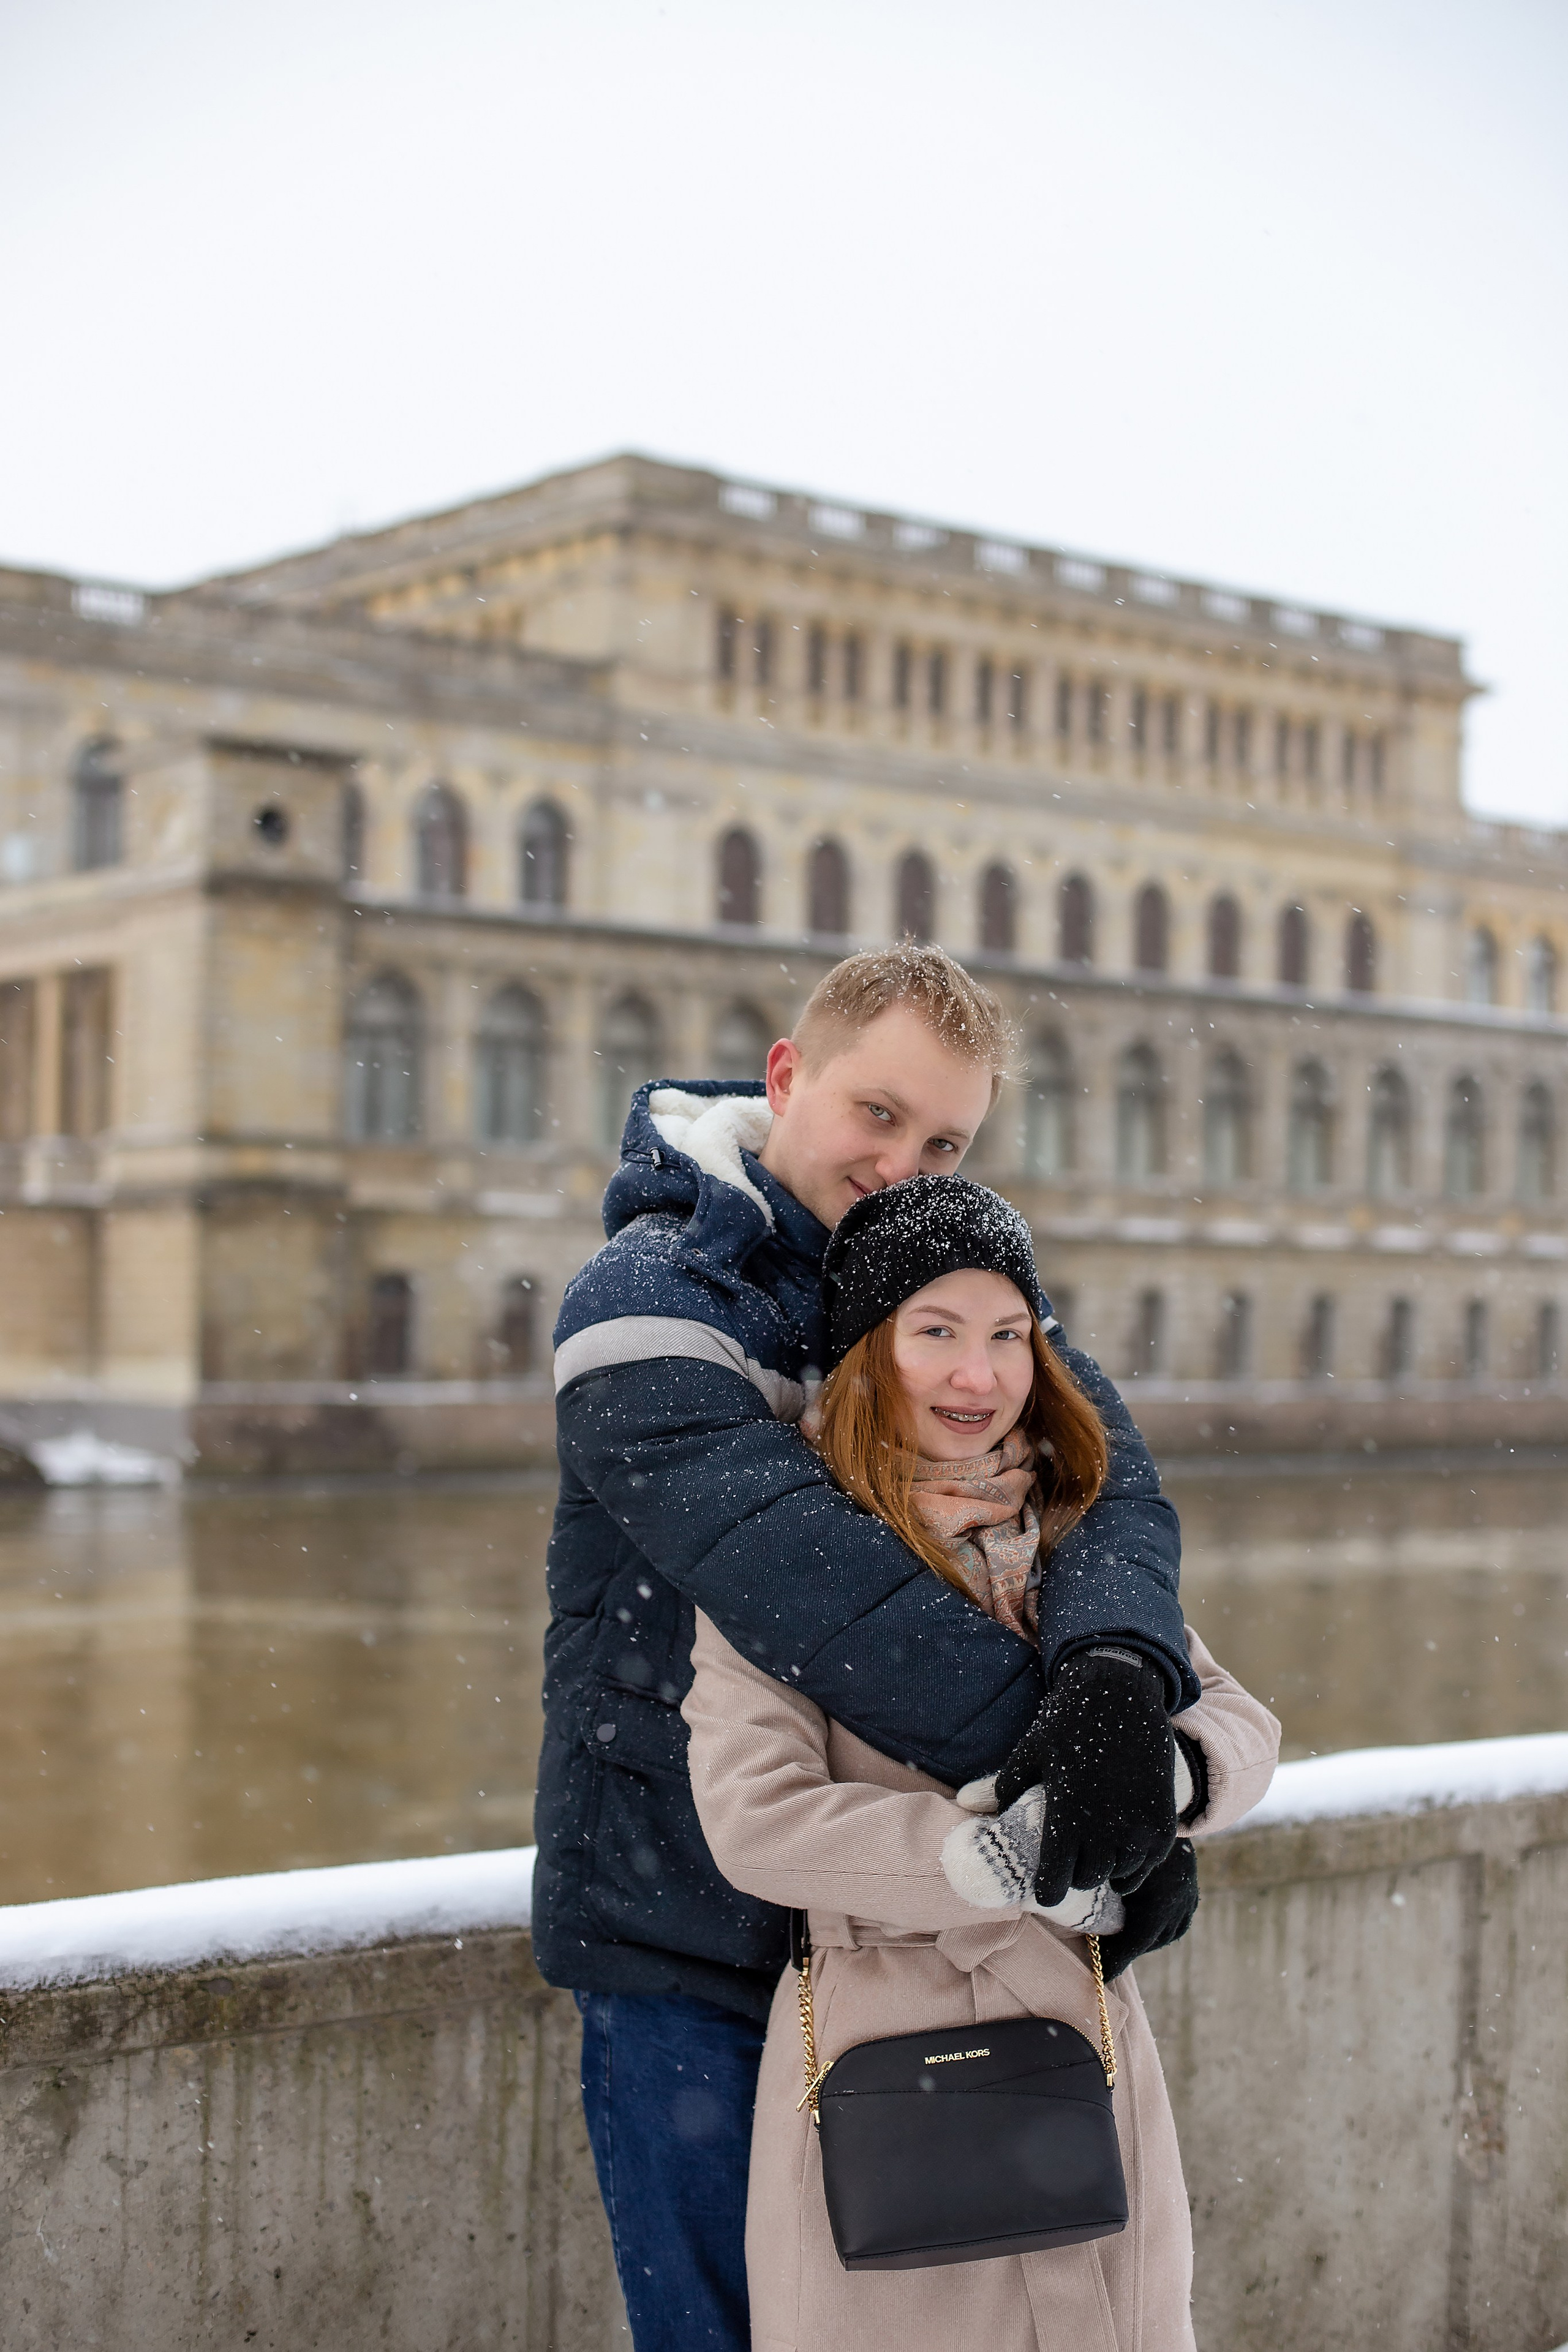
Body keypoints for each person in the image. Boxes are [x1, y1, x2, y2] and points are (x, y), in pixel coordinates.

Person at [535, 946, 1202, 2352]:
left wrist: (1116, 1684)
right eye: (877, 1116)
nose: (905, 1164)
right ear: (786, 1076)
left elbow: (1108, 1493)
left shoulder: (939, 1280)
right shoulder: (647, 1298)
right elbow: (812, 1591)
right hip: (690, 1939)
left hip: (905, 1943)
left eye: (946, 1138)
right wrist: (1086, 1802)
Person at [682, 1174, 1281, 2351]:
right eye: (938, 1333)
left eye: (1008, 1334)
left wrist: (1157, 1780)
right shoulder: (795, 1557)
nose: (981, 1375)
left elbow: (1240, 1721)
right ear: (868, 1354)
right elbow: (756, 1819)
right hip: (875, 2056)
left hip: (1081, 2032)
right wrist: (990, 1858)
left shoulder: (1073, 1529)